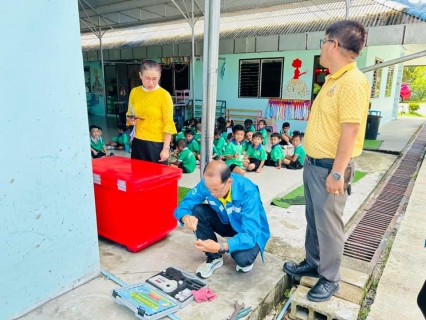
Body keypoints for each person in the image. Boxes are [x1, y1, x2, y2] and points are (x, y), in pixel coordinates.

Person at [282, 20, 370, 302]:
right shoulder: (334, 79)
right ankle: (314, 262)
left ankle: (330, 278)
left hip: (330, 168)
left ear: (334, 44)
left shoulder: (353, 82)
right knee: (314, 219)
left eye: (323, 40)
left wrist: (337, 172)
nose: (320, 46)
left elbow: (351, 130)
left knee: (329, 224)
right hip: (314, 163)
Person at [173, 161, 270, 279]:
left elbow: (250, 233)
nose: (211, 193)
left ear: (229, 182)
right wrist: (185, 217)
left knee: (243, 260)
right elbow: (185, 204)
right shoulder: (207, 184)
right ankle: (214, 258)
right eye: (208, 189)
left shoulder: (248, 191)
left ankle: (229, 250)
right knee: (197, 210)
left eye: (215, 189)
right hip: (225, 222)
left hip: (249, 230)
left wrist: (221, 247)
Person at [126, 60, 176, 164]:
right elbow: (129, 113)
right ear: (140, 75)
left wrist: (166, 148)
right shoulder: (134, 92)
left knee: (157, 177)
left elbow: (168, 123)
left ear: (159, 76)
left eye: (155, 79)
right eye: (147, 78)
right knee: (138, 175)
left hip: (157, 144)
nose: (151, 82)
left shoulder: (164, 95)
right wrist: (131, 120)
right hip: (138, 142)